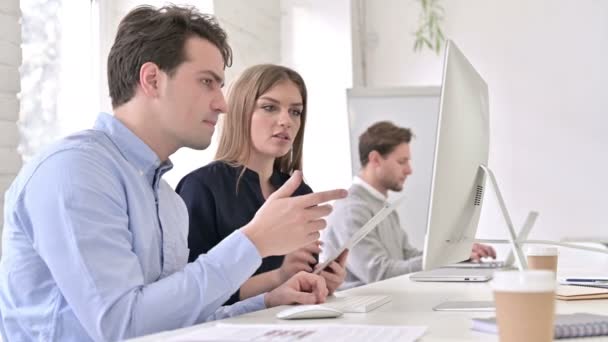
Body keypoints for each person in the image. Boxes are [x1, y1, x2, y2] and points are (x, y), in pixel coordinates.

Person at [0, 5, 347, 341]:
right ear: (152, 80)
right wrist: (253, 242)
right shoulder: (73, 172)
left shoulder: (166, 200)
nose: (223, 104)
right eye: (207, 82)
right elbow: (122, 327)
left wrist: (269, 300)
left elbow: (178, 320)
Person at [176, 64, 347, 306]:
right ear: (240, 111)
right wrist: (277, 278)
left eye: (295, 112)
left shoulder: (300, 193)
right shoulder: (200, 188)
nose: (286, 121)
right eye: (269, 107)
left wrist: (318, 281)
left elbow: (295, 285)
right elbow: (189, 297)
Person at [321, 121, 495, 289]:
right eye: (402, 161)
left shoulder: (381, 206)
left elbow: (407, 256)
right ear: (375, 159)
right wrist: (445, 258)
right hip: (361, 313)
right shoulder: (352, 210)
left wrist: (455, 253)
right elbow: (379, 273)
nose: (409, 170)